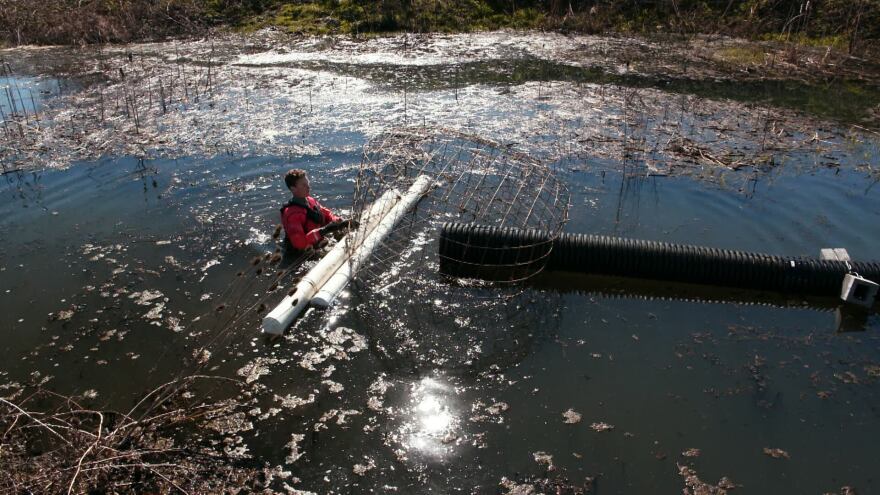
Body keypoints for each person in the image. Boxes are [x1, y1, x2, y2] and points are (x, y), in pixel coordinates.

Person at [280, 169, 355, 251]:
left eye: (308, 183)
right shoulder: (292, 215)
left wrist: (339, 222)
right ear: (293, 189)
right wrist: (325, 230)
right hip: (300, 252)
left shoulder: (310, 200)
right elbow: (300, 244)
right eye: (304, 185)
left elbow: (326, 214)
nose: (308, 187)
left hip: (317, 241)